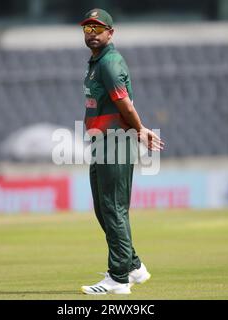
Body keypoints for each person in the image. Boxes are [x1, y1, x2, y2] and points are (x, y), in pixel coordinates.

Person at [79, 9, 164, 295]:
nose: (92, 33)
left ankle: (118, 279)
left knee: (113, 208)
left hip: (115, 140)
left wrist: (140, 129)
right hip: (102, 141)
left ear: (111, 33)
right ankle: (134, 266)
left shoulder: (110, 62)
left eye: (98, 29)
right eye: (88, 29)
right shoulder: (97, 62)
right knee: (105, 209)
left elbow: (125, 104)